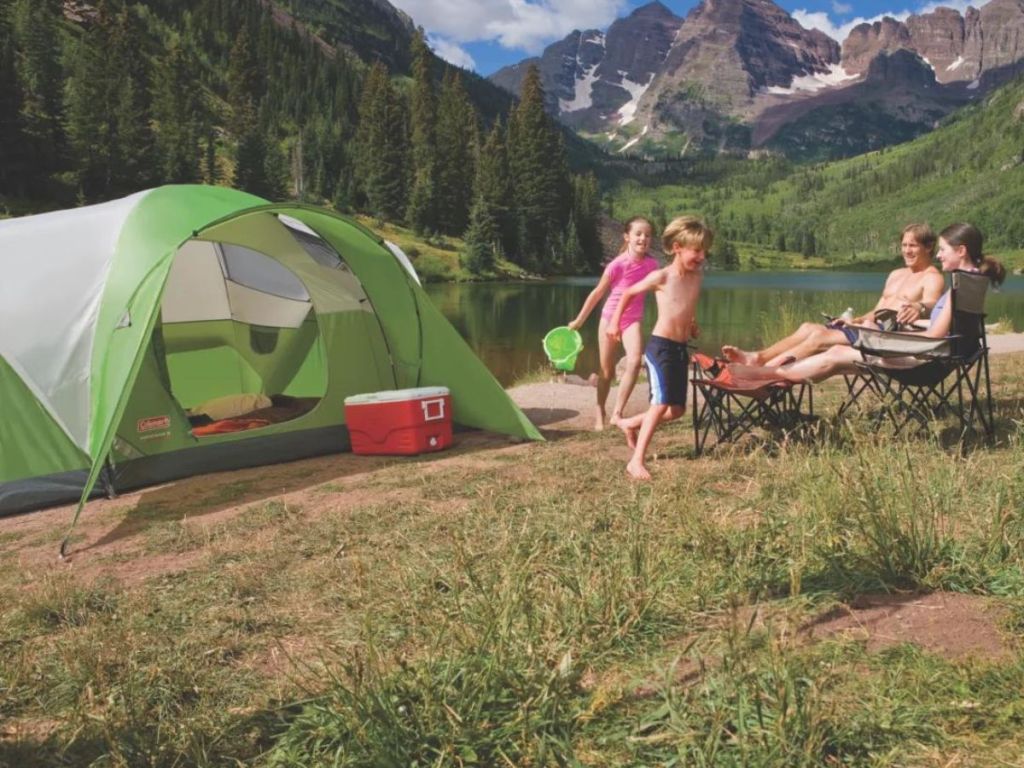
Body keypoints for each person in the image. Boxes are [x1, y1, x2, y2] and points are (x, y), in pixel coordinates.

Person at [725, 223, 1005, 384]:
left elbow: (934, 335)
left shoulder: (951, 284)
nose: (941, 256)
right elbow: (940, 329)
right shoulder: (970, 283)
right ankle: (761, 370)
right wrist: (863, 323)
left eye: (943, 250)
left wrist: (882, 336)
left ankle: (759, 376)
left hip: (923, 362)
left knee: (833, 352)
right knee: (824, 342)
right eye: (903, 244)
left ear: (960, 251)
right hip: (936, 357)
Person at [722, 224, 945, 366]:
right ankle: (758, 358)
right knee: (808, 327)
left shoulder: (932, 277)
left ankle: (763, 374)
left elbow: (933, 305)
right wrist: (853, 320)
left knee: (819, 338)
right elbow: (878, 310)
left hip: (885, 339)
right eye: (904, 245)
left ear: (928, 247)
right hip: (866, 328)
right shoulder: (896, 273)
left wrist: (918, 308)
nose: (906, 250)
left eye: (913, 246)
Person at [608, 215, 713, 480]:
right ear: (677, 247)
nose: (701, 257)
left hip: (680, 348)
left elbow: (687, 304)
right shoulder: (661, 276)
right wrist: (615, 324)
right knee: (660, 403)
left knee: (677, 410)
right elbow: (629, 293)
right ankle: (636, 461)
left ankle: (632, 423)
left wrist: (692, 323)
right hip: (660, 348)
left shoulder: (697, 276)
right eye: (696, 251)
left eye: (704, 252)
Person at [568, 216, 660, 430]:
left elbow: (660, 292)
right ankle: (600, 409)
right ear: (627, 237)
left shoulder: (652, 265)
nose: (643, 238)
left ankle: (617, 413)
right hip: (609, 318)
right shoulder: (617, 264)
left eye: (647, 235)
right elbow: (597, 293)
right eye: (638, 234)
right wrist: (580, 320)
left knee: (635, 361)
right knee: (607, 371)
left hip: (632, 321)